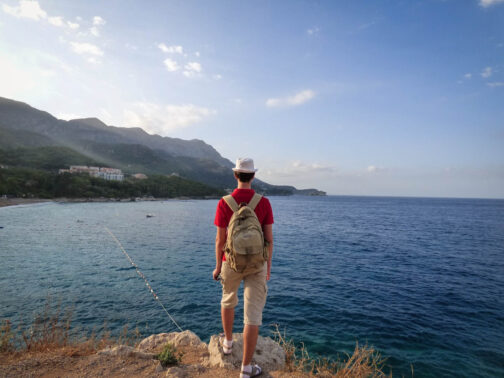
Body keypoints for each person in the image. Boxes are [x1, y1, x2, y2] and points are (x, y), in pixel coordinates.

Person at [213, 157, 274, 378]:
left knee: (228, 299)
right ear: (253, 176)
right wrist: (267, 268)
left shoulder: (224, 202)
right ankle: (247, 369)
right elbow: (269, 240)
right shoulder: (263, 202)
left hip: (231, 262)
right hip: (258, 265)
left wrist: (217, 266)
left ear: (235, 175)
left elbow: (220, 241)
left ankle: (228, 344)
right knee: (252, 314)